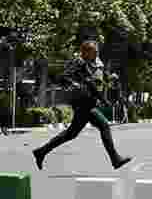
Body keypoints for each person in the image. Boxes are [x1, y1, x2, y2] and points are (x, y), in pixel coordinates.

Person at [32, 40, 132, 170]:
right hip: (82, 102)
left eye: (97, 51)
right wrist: (74, 84)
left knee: (71, 133)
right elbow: (63, 77)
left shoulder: (95, 63)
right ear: (85, 52)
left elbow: (98, 79)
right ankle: (115, 159)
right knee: (104, 126)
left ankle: (41, 152)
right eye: (94, 52)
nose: (96, 54)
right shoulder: (78, 62)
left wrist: (109, 77)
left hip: (90, 101)